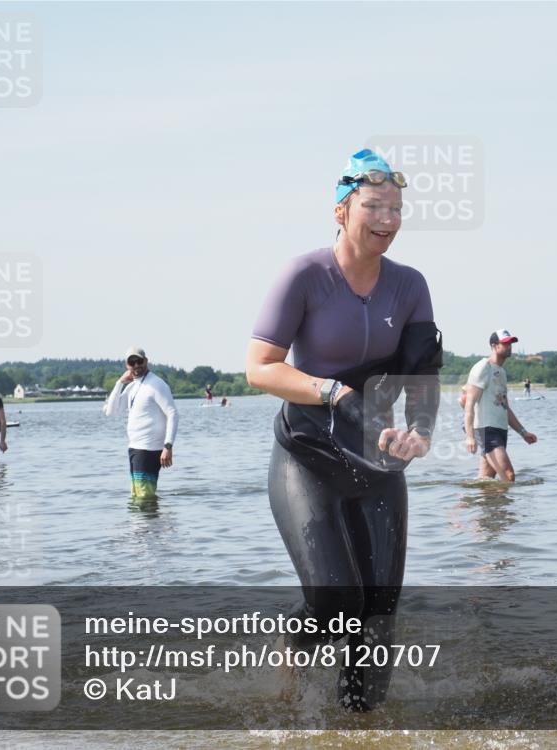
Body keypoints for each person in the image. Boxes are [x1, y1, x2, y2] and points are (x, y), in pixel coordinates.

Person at [246, 148, 441, 711]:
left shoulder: (410, 285)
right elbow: (259, 368)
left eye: (397, 209)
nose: (388, 219)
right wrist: (331, 391)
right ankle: (293, 657)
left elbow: (422, 369)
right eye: (374, 206)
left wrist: (420, 431)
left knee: (378, 621)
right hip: (306, 455)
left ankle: (360, 730)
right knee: (335, 603)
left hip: (378, 461)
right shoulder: (305, 275)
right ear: (341, 211)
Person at [102, 347, 178, 501]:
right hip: (135, 448)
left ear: (146, 361)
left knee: (144, 497)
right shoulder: (132, 386)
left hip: (149, 449)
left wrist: (168, 446)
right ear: (127, 366)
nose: (136, 365)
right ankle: (148, 525)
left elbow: (173, 414)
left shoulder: (157, 384)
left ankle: (151, 524)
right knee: (137, 495)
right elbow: (111, 411)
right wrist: (119, 383)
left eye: (139, 361)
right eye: (132, 362)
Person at [465, 329, 538, 482]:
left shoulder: (502, 372)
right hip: (486, 430)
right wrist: (470, 436)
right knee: (508, 475)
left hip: (500, 430)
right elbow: (468, 404)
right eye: (505, 343)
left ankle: (465, 504)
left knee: (485, 482)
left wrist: (523, 432)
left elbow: (505, 408)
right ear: (494, 345)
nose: (509, 346)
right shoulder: (483, 367)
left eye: (510, 343)